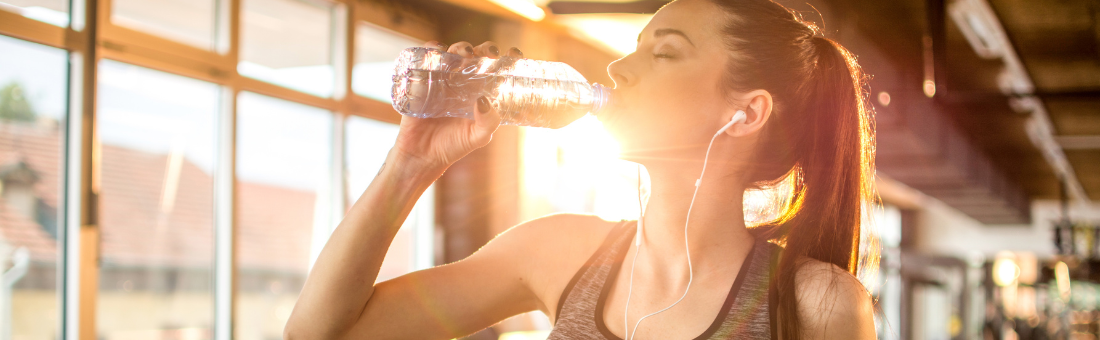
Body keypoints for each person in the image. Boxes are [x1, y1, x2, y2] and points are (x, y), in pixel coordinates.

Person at [284, 0, 878, 338]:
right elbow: (317, 336)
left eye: (664, 52)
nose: (620, 66)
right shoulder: (557, 251)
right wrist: (410, 163)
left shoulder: (817, 305)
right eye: (636, 44)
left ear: (746, 113)